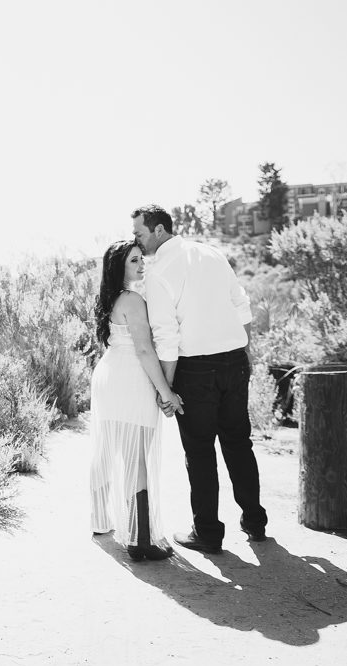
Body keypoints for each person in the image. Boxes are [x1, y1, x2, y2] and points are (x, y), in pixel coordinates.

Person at [132, 204, 268, 555]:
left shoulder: (159, 270)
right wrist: (245, 352)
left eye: (140, 234)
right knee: (239, 443)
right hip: (235, 362)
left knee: (201, 452)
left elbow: (166, 335)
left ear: (159, 230)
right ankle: (255, 523)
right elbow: (242, 305)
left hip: (195, 371)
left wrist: (167, 390)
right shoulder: (211, 253)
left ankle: (207, 533)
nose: (137, 241)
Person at [88, 240, 181, 562]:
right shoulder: (133, 299)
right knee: (136, 456)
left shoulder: (109, 298)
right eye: (134, 261)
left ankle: (101, 521)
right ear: (119, 267)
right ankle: (140, 540)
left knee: (106, 448)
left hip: (109, 373)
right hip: (130, 377)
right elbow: (144, 349)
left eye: (142, 259)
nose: (142, 265)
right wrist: (166, 392)